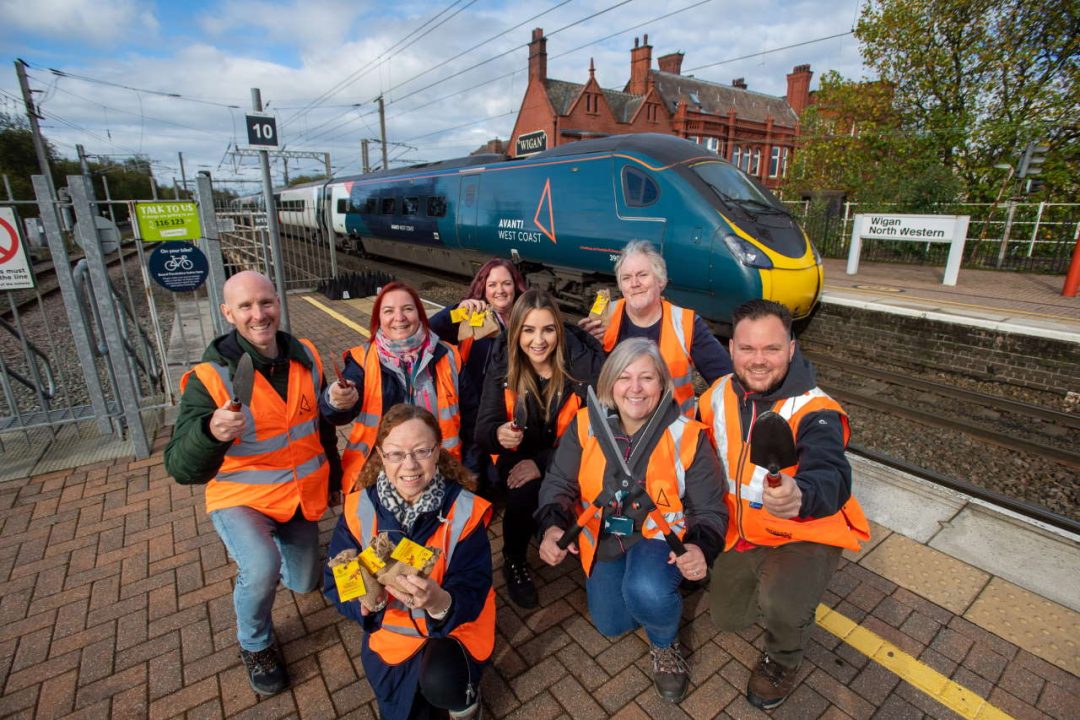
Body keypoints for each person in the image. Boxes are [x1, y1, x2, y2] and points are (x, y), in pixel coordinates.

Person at [164, 270, 342, 696]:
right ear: (228, 312)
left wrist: (334, 463)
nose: (258, 314)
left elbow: (320, 426)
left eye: (266, 302)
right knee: (261, 567)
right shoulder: (210, 378)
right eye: (245, 306)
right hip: (240, 496)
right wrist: (210, 432)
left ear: (278, 304)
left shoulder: (307, 355)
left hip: (298, 496)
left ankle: (277, 545)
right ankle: (256, 644)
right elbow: (180, 467)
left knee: (302, 582)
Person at [699, 299, 870, 711]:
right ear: (731, 348)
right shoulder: (719, 392)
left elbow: (832, 470)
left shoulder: (816, 409)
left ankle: (782, 657)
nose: (758, 361)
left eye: (771, 349)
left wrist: (802, 494)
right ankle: (770, 580)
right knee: (728, 619)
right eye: (747, 349)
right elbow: (693, 439)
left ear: (791, 348)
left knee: (782, 603)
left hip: (805, 529)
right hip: (747, 531)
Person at [536, 338, 727, 703]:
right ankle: (654, 591)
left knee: (646, 591)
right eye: (624, 377)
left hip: (661, 538)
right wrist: (552, 526)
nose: (635, 389)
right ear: (609, 383)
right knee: (612, 624)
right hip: (606, 535)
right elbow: (558, 483)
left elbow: (709, 509)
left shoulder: (686, 435)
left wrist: (701, 547)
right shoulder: (585, 425)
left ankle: (665, 642)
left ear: (662, 385)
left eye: (647, 378)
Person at [324, 404, 493, 720]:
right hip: (393, 640)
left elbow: (475, 584)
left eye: (421, 451)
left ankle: (466, 702)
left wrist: (439, 601)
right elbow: (335, 579)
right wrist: (366, 604)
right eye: (397, 454)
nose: (410, 465)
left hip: (456, 628)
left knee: (444, 683)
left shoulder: (465, 510)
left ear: (437, 451)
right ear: (381, 454)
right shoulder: (359, 508)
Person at [474, 289, 604, 609]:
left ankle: (597, 554)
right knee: (525, 489)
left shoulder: (579, 367)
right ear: (516, 332)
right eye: (528, 330)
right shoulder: (504, 361)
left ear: (559, 331)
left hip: (570, 455)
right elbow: (483, 429)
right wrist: (498, 433)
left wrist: (543, 463)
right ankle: (514, 558)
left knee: (575, 482)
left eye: (548, 329)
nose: (538, 340)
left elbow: (598, 432)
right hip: (517, 456)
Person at [322, 281, 473, 495]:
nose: (399, 317)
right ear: (379, 319)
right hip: (380, 474)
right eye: (389, 311)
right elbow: (334, 413)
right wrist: (336, 399)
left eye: (408, 309)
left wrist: (468, 475)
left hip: (442, 470)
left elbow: (471, 419)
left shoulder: (448, 356)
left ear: (420, 315)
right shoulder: (362, 360)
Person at [579, 240, 732, 418]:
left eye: (642, 275)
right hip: (616, 430)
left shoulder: (685, 323)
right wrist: (587, 348)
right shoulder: (604, 319)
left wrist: (703, 424)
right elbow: (585, 385)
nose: (634, 283)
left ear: (660, 281)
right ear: (621, 286)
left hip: (673, 432)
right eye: (626, 278)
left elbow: (727, 383)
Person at [429, 258, 528, 485]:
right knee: (474, 476)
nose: (500, 290)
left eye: (506, 283)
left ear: (516, 286)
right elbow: (429, 331)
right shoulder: (470, 315)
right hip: (473, 410)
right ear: (483, 287)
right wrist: (455, 311)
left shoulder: (528, 317)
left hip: (510, 412)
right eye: (492, 285)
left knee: (498, 479)